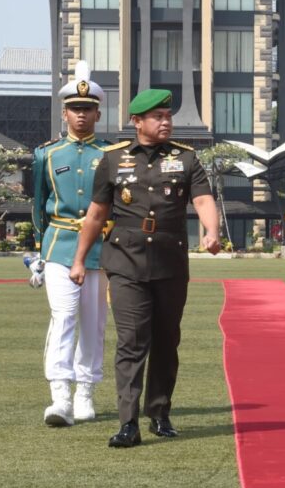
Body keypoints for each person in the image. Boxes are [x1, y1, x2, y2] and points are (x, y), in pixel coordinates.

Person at [72, 88, 221, 448]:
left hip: (170, 260)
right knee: (132, 340)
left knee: (167, 340)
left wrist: (212, 231)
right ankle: (128, 423)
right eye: (158, 117)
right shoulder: (112, 159)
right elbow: (96, 214)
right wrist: (79, 258)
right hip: (125, 260)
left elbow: (202, 198)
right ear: (137, 122)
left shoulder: (186, 159)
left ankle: (159, 413)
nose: (166, 121)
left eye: (168, 116)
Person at [31, 61, 111, 426]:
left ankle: (86, 392)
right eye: (75, 109)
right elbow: (38, 204)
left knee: (93, 322)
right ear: (64, 113)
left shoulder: (111, 154)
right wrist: (38, 251)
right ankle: (60, 394)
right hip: (60, 245)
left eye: (88, 109)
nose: (81, 115)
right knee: (63, 317)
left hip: (99, 248)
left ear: (97, 112)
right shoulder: (46, 154)